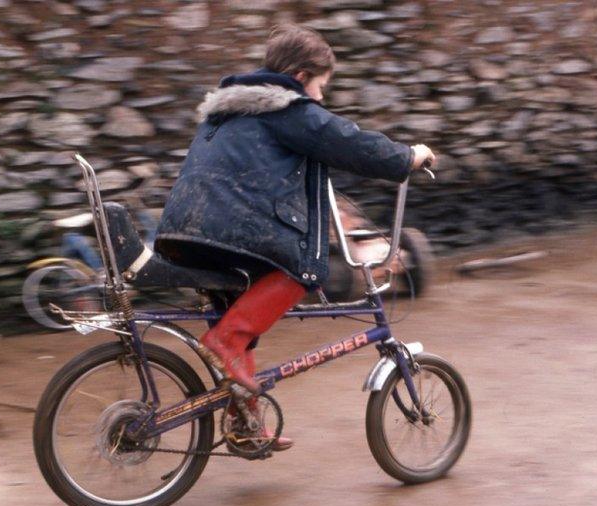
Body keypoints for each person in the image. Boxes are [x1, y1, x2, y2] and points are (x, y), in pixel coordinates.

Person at [155, 24, 436, 451]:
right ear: (302, 77)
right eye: (321, 87)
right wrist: (409, 156)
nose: (320, 98)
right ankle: (226, 342)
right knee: (307, 268)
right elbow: (350, 143)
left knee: (240, 317)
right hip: (226, 228)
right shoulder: (287, 109)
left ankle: (244, 423)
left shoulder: (230, 110)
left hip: (187, 230)